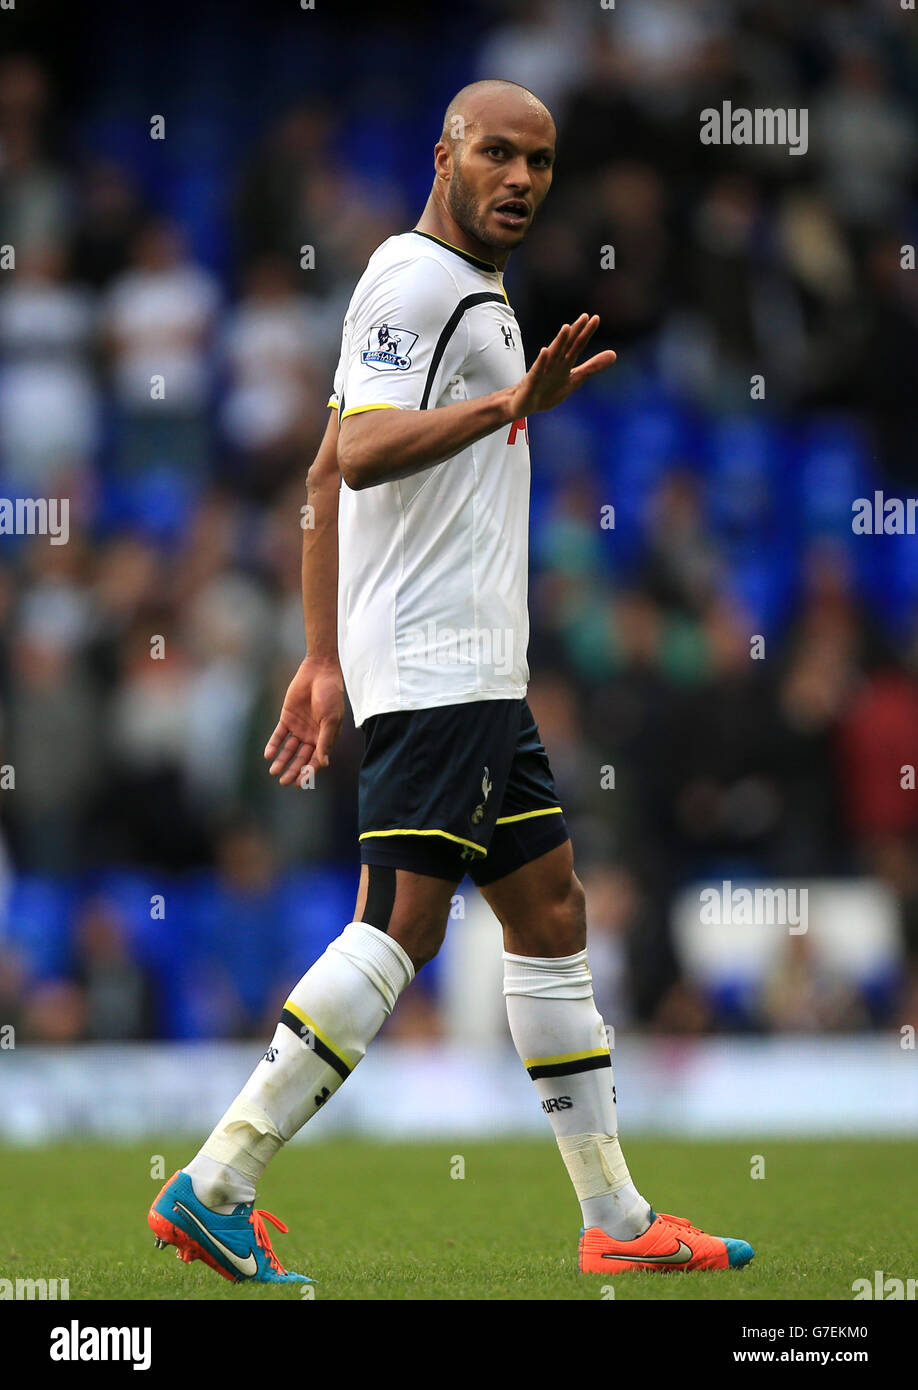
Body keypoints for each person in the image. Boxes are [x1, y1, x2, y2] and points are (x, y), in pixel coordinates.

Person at [149, 79, 754, 1286]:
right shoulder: (422, 281)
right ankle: (217, 1179)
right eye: (496, 154)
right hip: (440, 667)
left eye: (538, 160)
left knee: (550, 915)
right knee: (404, 923)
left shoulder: (456, 290)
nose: (521, 179)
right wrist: (511, 404)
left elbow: (320, 473)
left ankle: (617, 1221)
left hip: (463, 669)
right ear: (445, 155)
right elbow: (363, 457)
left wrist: (321, 658)